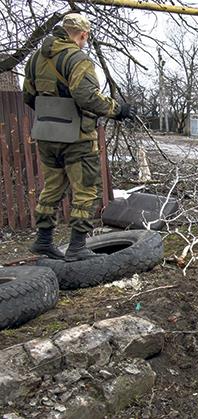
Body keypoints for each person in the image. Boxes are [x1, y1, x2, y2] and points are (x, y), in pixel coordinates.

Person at [23, 13, 136, 261]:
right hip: (77, 137)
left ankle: (43, 241)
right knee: (86, 189)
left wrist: (52, 113)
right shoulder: (77, 59)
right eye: (86, 38)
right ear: (83, 34)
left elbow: (28, 96)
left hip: (46, 134)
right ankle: (77, 247)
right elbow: (87, 97)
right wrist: (118, 110)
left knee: (52, 187)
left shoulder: (35, 59)